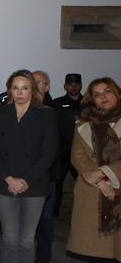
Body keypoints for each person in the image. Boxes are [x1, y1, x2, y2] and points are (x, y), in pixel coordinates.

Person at [0, 70, 57, 263]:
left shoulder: (45, 116)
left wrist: (26, 180)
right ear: (9, 90)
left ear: (33, 90)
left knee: (26, 241)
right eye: (15, 87)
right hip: (5, 184)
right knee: (9, 239)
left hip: (34, 186)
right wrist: (8, 178)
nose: (20, 92)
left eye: (25, 87)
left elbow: (49, 152)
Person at [66, 77, 121, 263]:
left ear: (117, 94)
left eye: (107, 92)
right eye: (97, 94)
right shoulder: (83, 123)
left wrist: (107, 174)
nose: (103, 97)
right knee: (98, 254)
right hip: (94, 193)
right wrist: (100, 182)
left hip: (119, 195)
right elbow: (78, 156)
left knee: (119, 255)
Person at [32, 70, 61, 263]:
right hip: (22, 174)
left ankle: (43, 257)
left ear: (47, 86)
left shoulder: (56, 109)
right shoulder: (18, 108)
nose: (36, 86)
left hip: (47, 174)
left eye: (40, 82)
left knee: (46, 217)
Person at [53, 73, 84, 216]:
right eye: (70, 84)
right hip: (63, 150)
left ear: (81, 85)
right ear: (65, 86)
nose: (73, 86)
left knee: (84, 183)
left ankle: (82, 212)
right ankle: (55, 213)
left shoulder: (88, 103)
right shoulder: (57, 103)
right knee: (57, 183)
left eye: (76, 84)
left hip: (82, 150)